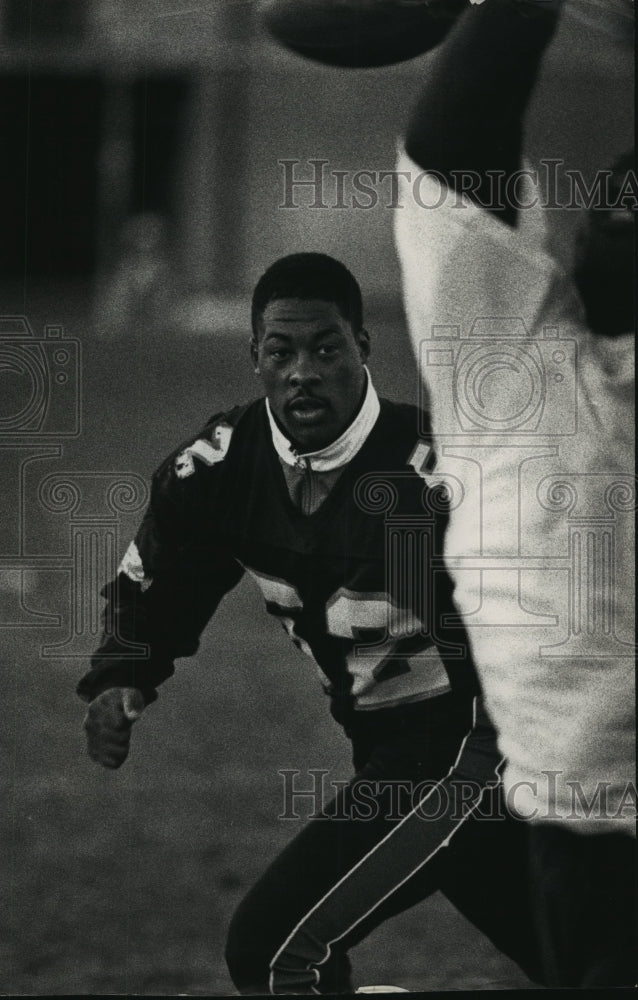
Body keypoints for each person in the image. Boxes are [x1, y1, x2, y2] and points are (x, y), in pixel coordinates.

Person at [78, 252, 545, 993]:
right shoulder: (222, 467)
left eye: (326, 348)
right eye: (281, 351)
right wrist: (125, 674)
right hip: (389, 754)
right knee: (598, 966)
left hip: (466, 759)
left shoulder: (440, 475)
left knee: (273, 952)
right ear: (254, 357)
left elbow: (559, 608)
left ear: (363, 347)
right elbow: (160, 580)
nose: (303, 371)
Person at [303, 0, 633, 986]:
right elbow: (455, 147)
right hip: (587, 832)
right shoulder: (508, 356)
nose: (617, 216)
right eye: (614, 200)